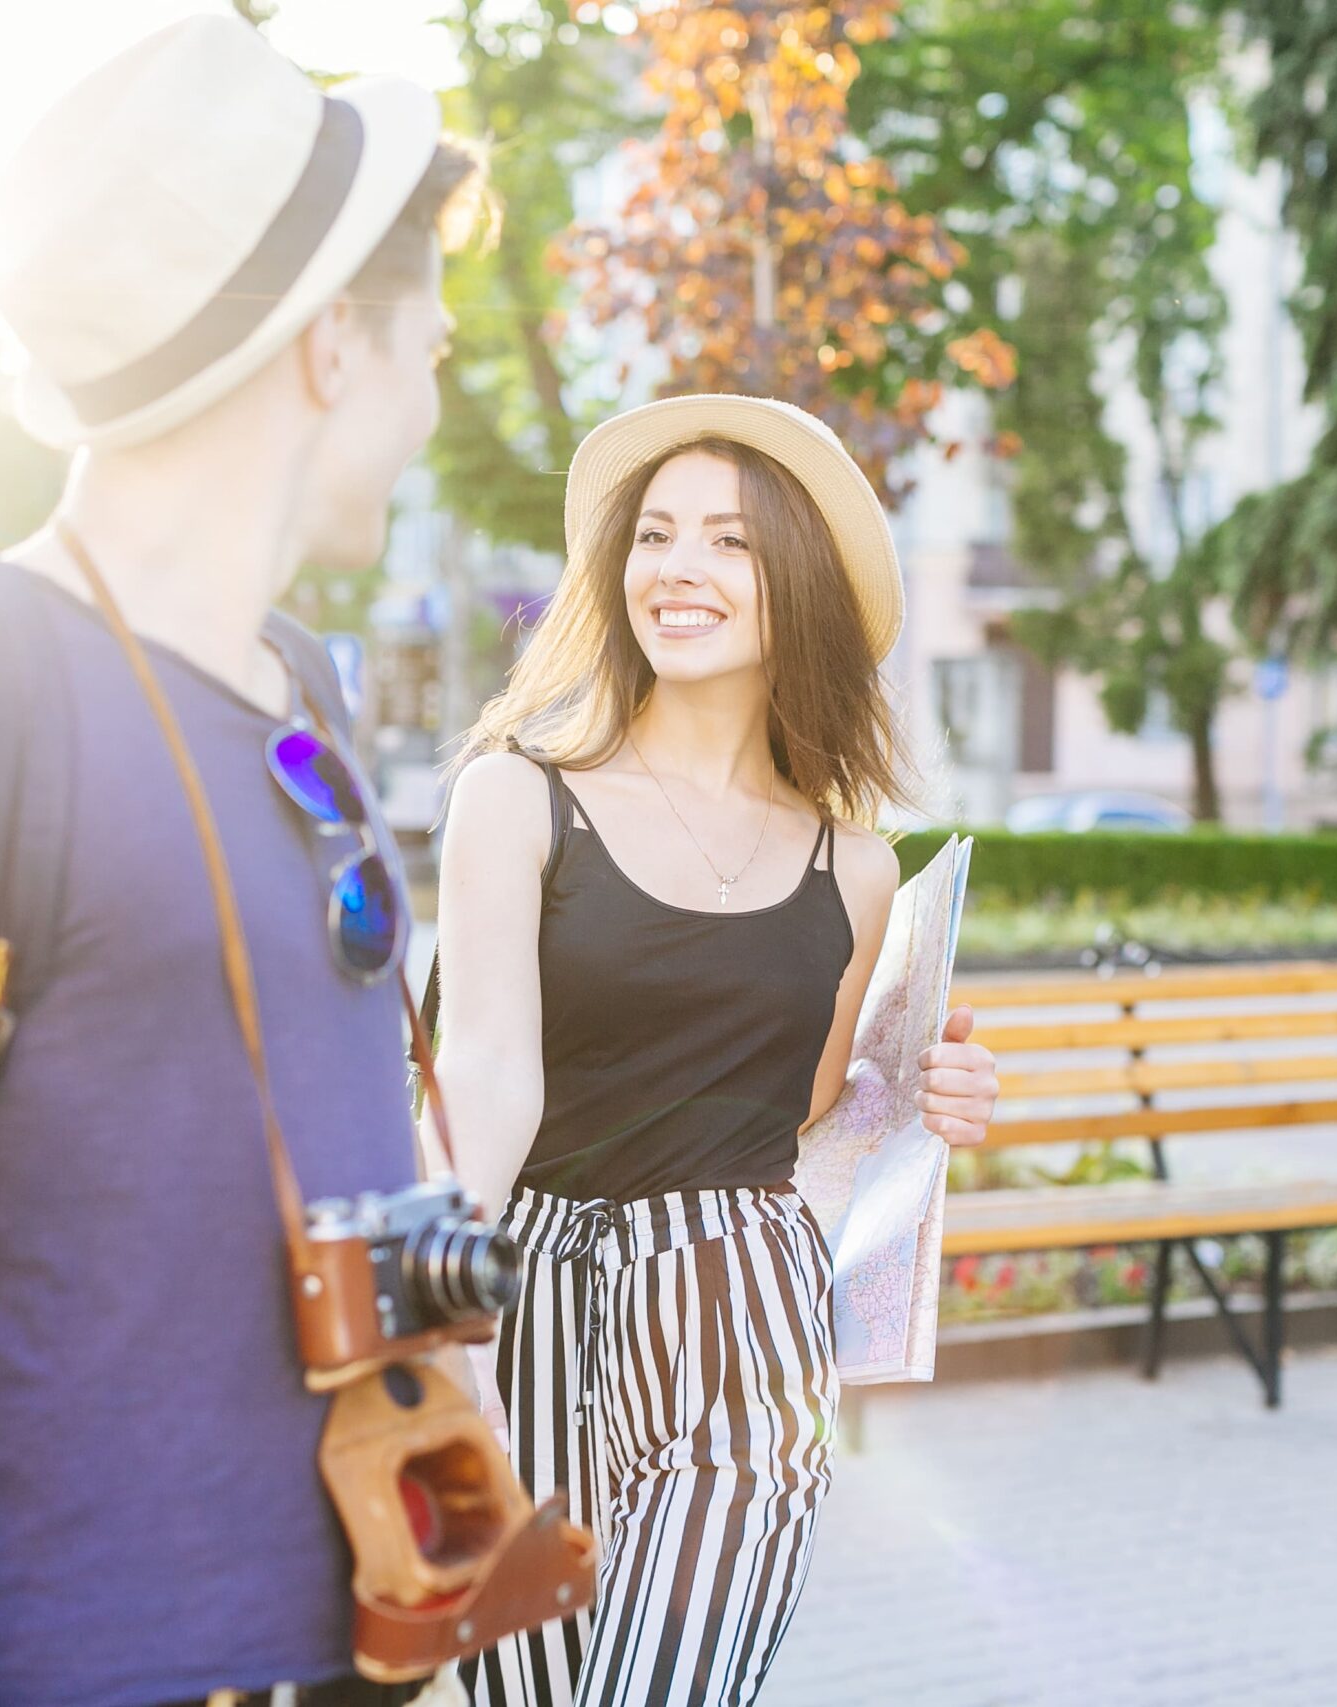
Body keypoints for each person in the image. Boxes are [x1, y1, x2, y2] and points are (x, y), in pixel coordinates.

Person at [0, 17, 491, 1707]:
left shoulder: (306, 687)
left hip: (350, 1654)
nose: (439, 392)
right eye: (431, 346)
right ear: (327, 352)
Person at [433, 396, 1003, 1704]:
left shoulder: (854, 865)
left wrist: (919, 1089)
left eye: (731, 542)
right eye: (656, 536)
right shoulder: (516, 797)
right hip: (527, 1303)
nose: (678, 568)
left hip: (735, 1305)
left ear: (792, 583)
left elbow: (807, 1117)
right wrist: (432, 1320)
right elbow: (484, 1075)